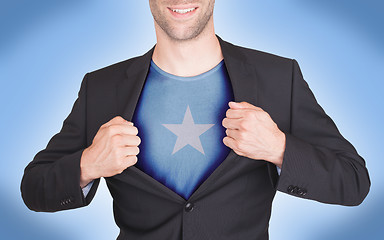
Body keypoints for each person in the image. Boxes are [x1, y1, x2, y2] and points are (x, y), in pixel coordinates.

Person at [21, 0, 370, 239]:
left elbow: (353, 181)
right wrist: (87, 165)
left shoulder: (279, 78)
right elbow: (34, 188)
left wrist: (280, 148)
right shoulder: (101, 87)